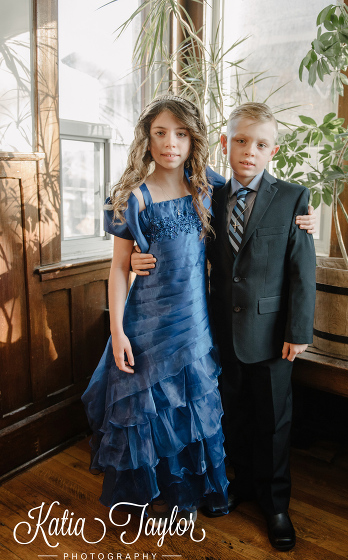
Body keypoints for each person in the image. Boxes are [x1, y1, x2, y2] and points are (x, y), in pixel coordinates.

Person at [131, 102, 316, 551]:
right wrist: (138, 256)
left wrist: (300, 331)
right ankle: (237, 484)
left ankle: (275, 505)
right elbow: (179, 245)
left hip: (273, 336)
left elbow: (302, 271)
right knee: (227, 416)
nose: (249, 152)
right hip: (214, 332)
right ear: (223, 143)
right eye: (240, 141)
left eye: (260, 144)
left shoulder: (294, 198)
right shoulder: (205, 194)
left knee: (273, 422)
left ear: (273, 150)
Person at [82, 94, 230, 522]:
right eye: (160, 133)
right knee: (147, 410)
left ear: (193, 140)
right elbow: (116, 268)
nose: (170, 143)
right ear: (147, 140)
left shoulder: (206, 185)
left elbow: (258, 194)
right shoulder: (135, 196)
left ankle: (192, 490)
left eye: (180, 134)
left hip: (194, 320)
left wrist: (305, 214)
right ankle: (154, 493)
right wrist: (118, 333)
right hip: (146, 322)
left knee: (193, 404)